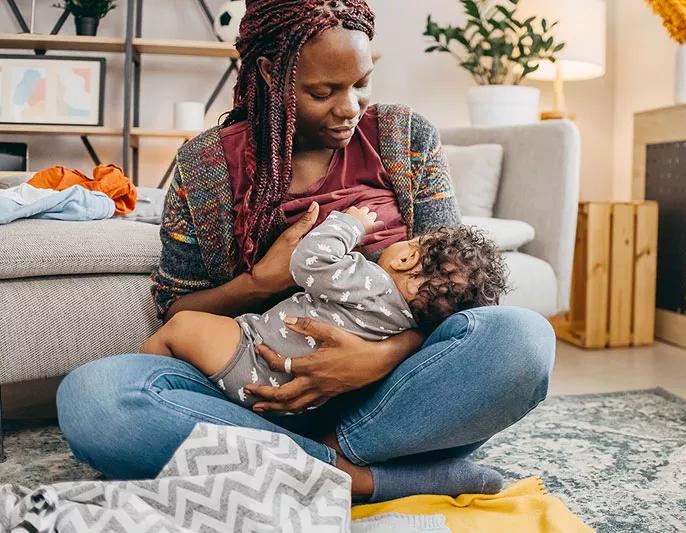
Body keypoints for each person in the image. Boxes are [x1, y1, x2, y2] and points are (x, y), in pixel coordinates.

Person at [56, 0, 556, 503]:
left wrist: (377, 357)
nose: (350, 108)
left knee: (522, 339)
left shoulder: (404, 137)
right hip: (252, 389)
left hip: (391, 394)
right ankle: (355, 477)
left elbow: (454, 284)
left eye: (361, 83)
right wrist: (261, 282)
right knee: (95, 399)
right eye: (323, 92)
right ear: (272, 75)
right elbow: (176, 311)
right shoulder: (207, 164)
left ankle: (303, 462)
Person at [139, 205, 508, 408]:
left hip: (254, 357)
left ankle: (140, 379)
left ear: (406, 259)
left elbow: (310, 261)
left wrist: (351, 225)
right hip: (300, 396)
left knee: (180, 328)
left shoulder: (371, 283)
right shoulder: (401, 320)